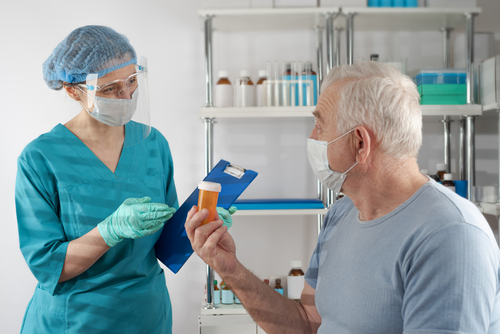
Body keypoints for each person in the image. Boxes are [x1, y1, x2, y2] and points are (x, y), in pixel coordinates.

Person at [185, 61, 500, 334]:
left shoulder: (449, 235)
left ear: (360, 143)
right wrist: (229, 269)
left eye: (320, 125)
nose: (311, 138)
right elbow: (308, 323)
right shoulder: (343, 213)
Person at [15, 25, 234, 333]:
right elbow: (47, 265)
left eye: (132, 81)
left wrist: (201, 225)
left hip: (146, 315)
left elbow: (165, 244)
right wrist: (110, 231)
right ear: (72, 90)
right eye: (110, 89)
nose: (126, 94)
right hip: (77, 320)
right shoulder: (40, 157)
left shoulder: (153, 143)